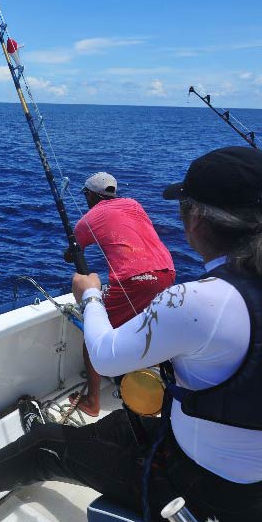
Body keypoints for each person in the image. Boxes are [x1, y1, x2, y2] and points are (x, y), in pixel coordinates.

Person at [0, 146, 262, 522]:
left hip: (199, 495)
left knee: (45, 446)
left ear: (194, 219)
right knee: (125, 421)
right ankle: (53, 441)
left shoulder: (198, 301)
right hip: (261, 484)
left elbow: (106, 358)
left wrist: (89, 294)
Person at [74, 172, 175, 416]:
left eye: (86, 195)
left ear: (90, 195)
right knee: (147, 327)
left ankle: (93, 402)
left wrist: (72, 252)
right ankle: (156, 393)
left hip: (135, 278)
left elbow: (76, 248)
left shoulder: (87, 219)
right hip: (167, 272)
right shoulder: (134, 204)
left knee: (94, 334)